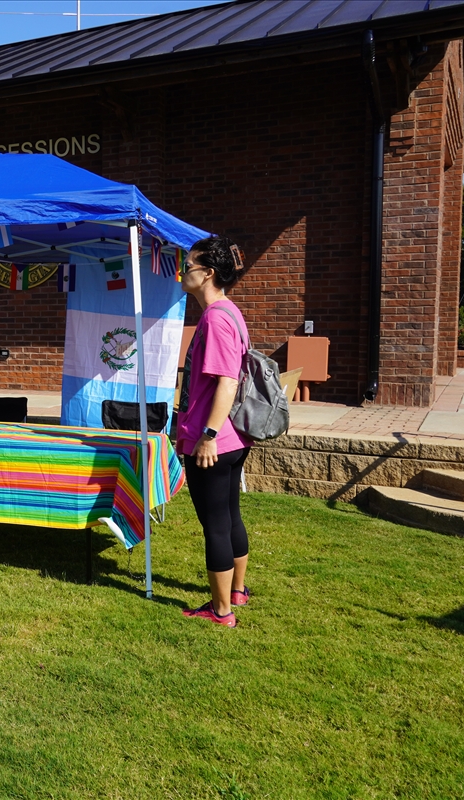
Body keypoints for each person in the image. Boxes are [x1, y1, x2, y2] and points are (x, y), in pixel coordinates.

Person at [175, 236, 253, 629]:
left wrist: (207, 435)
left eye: (187, 265)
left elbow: (227, 381)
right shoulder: (229, 312)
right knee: (229, 516)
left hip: (215, 442)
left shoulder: (216, 318)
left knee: (216, 524)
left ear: (206, 273)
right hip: (231, 439)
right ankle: (236, 590)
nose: (182, 271)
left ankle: (221, 610)